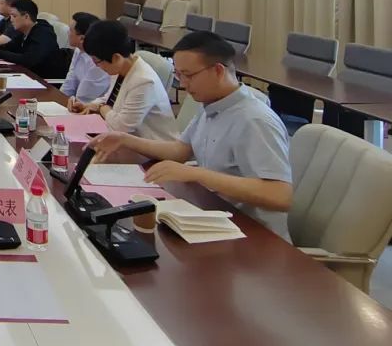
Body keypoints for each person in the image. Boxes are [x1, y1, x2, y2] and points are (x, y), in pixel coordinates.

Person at [89, 30, 292, 238]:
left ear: (218, 71)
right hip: (214, 216)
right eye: (179, 75)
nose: (183, 84)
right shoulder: (211, 104)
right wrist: (125, 139)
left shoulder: (255, 120)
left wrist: (197, 174)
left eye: (188, 75)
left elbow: (280, 195)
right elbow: (180, 150)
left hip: (254, 235)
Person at [71, 19, 178, 141]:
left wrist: (101, 108)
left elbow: (122, 126)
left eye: (97, 61)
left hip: (153, 146)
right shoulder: (122, 67)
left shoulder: (144, 81)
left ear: (116, 57)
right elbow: (109, 99)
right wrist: (90, 105)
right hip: (126, 141)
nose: (97, 66)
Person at [0, 0, 66, 77]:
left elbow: (28, 60)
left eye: (14, 16)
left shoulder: (43, 33)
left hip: (45, 81)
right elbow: (10, 48)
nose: (11, 20)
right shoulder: (24, 31)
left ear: (26, 16)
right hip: (28, 75)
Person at [60, 12, 113, 103]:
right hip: (76, 102)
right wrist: (59, 99)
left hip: (93, 106)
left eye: (71, 30)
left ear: (81, 38)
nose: (68, 32)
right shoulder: (78, 50)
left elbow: (84, 98)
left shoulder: (98, 59)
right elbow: (70, 80)